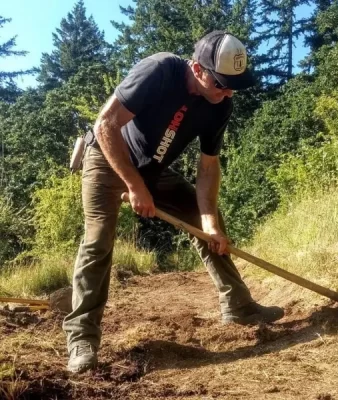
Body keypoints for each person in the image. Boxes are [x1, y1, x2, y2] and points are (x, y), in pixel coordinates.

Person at [63, 30, 284, 374]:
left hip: (152, 169)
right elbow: (106, 124)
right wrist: (135, 186)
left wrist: (209, 223)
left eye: (234, 85)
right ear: (197, 69)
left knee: (203, 216)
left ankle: (239, 306)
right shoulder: (159, 71)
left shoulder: (220, 104)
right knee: (98, 240)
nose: (228, 92)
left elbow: (208, 167)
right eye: (222, 83)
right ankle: (82, 339)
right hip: (106, 157)